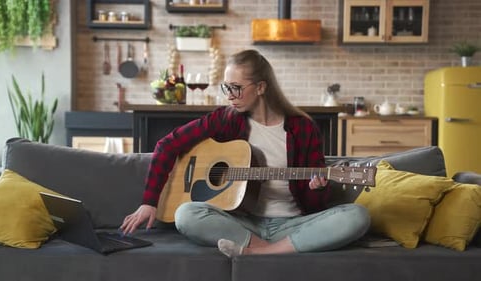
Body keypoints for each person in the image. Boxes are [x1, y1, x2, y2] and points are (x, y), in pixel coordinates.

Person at [120, 49, 370, 257]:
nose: (229, 96)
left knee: (358, 216)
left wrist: (318, 188)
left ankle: (260, 253)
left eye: (236, 88)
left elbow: (315, 205)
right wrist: (149, 202)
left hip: (291, 224)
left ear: (261, 87)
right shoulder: (227, 120)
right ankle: (267, 248)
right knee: (186, 214)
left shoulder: (302, 128)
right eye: (226, 87)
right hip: (240, 224)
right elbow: (167, 145)